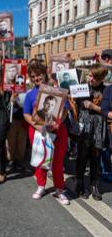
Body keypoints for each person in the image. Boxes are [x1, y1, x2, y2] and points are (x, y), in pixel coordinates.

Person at [23, 61, 70, 205]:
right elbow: (26, 114)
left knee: (57, 161)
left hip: (58, 130)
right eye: (33, 76)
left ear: (44, 74)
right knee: (40, 159)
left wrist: (58, 122)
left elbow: (65, 110)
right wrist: (37, 126)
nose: (37, 78)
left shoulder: (55, 90)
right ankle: (41, 186)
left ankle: (60, 190)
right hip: (38, 131)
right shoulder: (30, 95)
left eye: (39, 75)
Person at [72, 64, 108, 200]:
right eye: (89, 75)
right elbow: (71, 100)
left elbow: (108, 111)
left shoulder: (106, 91)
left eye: (93, 76)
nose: (89, 78)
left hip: (98, 125)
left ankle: (94, 185)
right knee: (82, 155)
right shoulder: (83, 87)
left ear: (100, 78)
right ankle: (80, 182)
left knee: (95, 157)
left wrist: (93, 106)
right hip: (85, 124)